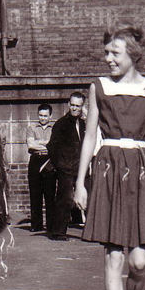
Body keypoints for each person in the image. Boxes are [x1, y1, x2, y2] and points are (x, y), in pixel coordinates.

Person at [73, 21, 145, 290]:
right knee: (114, 256)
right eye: (106, 52)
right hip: (109, 170)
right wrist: (80, 182)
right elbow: (89, 137)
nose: (108, 58)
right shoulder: (98, 87)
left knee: (139, 262)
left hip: (141, 171)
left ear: (132, 54)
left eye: (115, 52)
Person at [47, 92, 86, 241]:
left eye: (78, 106)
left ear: (82, 107)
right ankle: (58, 232)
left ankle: (90, 230)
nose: (75, 108)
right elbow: (52, 147)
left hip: (80, 168)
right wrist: (61, 165)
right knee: (65, 199)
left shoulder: (82, 124)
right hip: (66, 169)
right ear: (68, 104)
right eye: (73, 105)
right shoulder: (61, 124)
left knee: (85, 197)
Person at [26, 103, 56, 232]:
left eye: (45, 116)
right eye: (40, 115)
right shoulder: (31, 127)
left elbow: (55, 146)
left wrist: (39, 143)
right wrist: (46, 144)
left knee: (49, 194)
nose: (43, 118)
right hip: (35, 160)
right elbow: (31, 145)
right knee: (35, 194)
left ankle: (50, 225)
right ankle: (36, 225)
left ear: (50, 115)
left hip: (49, 161)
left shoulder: (54, 128)